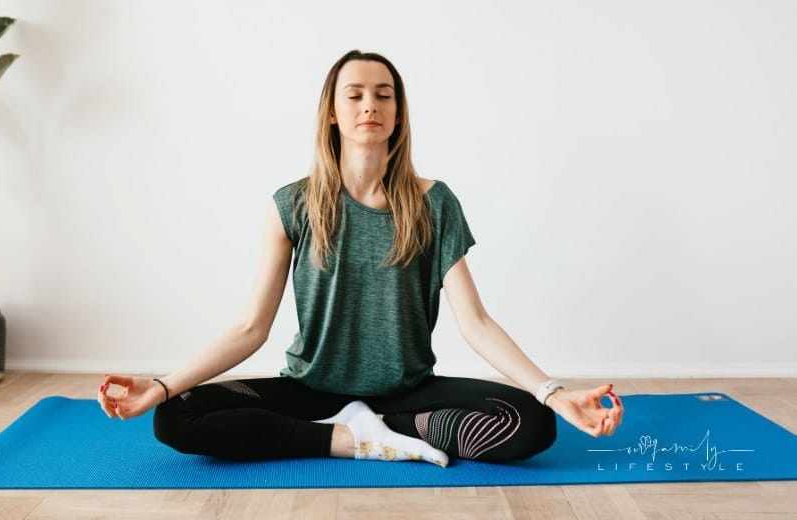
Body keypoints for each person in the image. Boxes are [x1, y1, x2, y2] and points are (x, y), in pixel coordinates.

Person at [97, 50, 624, 466]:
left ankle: (386, 430)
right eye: (354, 95)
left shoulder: (434, 203)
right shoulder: (293, 204)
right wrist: (162, 385)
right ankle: (349, 439)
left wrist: (553, 393)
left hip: (409, 393)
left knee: (533, 422)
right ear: (333, 112)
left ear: (397, 113)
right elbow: (251, 328)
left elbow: (477, 323)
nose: (370, 104)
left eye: (383, 95)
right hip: (310, 390)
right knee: (175, 416)